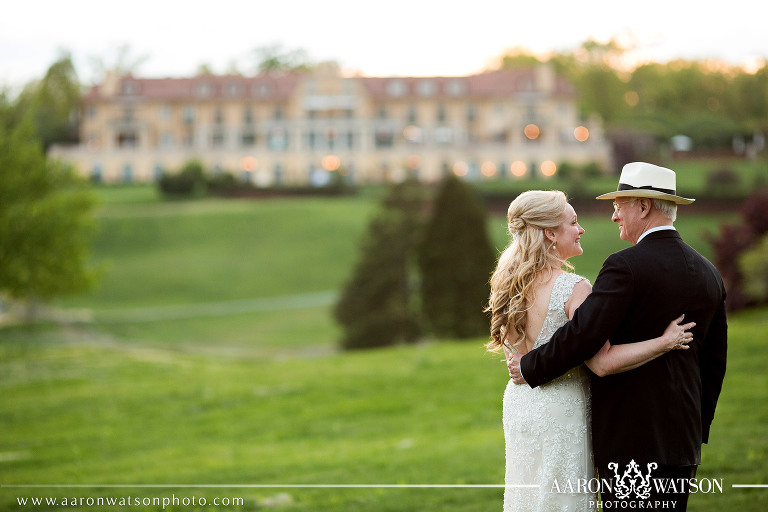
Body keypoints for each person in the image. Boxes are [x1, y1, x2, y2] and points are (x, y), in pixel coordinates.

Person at [508, 162, 728, 511]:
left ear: (643, 206)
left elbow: (583, 336)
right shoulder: (709, 273)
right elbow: (715, 362)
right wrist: (696, 429)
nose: (613, 217)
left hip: (630, 441)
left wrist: (530, 365)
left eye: (619, 206)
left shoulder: (624, 266)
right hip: (683, 444)